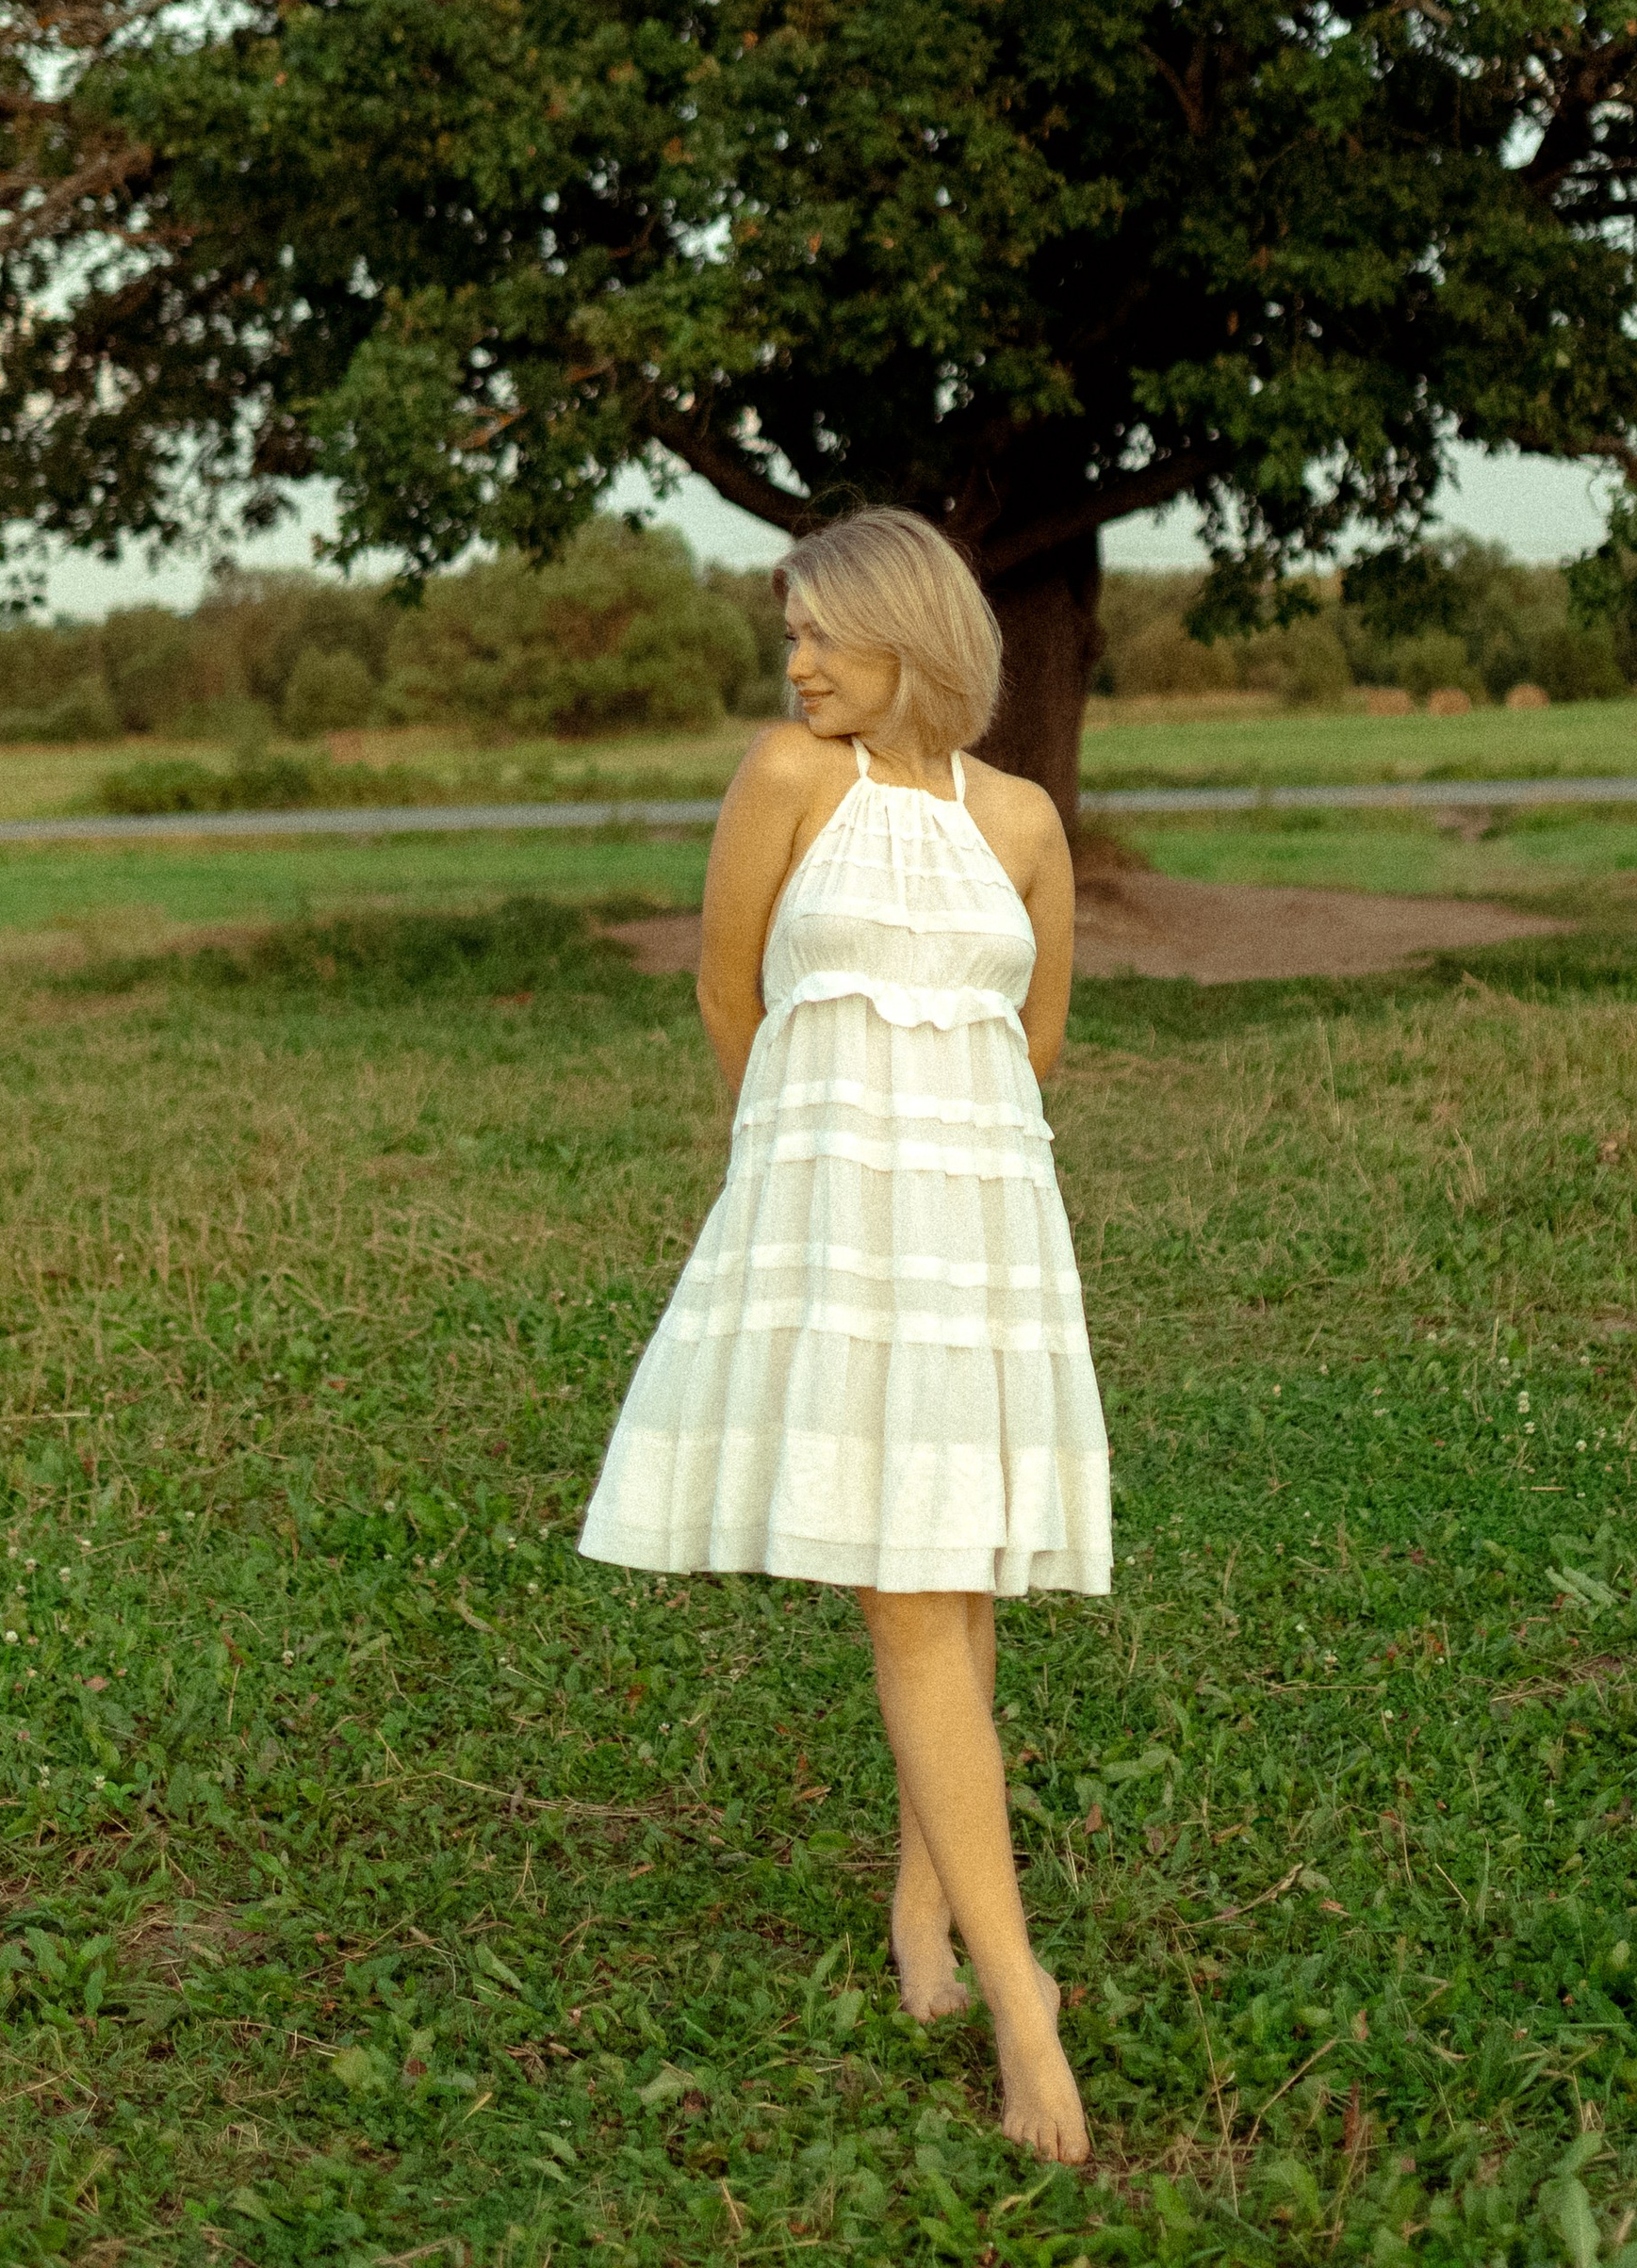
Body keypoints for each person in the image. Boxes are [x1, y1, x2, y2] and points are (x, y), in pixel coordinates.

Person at [578, 505, 1108, 2161]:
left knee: (951, 1573)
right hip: (825, 1211)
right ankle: (1026, 2009)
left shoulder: (1021, 818)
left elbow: (1040, 1041)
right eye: (787, 632)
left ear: (915, 636)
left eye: (821, 631)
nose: (795, 661)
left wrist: (954, 1181)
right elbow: (726, 994)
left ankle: (924, 1916)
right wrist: (786, 1179)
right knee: (906, 1594)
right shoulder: (789, 782)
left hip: (981, 1224)